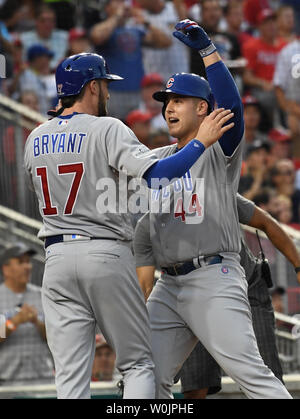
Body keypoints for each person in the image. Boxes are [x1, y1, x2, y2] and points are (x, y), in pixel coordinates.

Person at [23, 52, 233, 399]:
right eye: (104, 85)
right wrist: (201, 142)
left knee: (71, 379)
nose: (106, 93)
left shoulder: (34, 137)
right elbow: (158, 176)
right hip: (104, 250)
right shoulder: (106, 127)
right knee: (137, 364)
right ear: (92, 86)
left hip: (56, 258)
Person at [136, 18, 292, 398]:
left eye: (178, 101)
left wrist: (207, 51)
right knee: (143, 376)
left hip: (214, 277)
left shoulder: (219, 150)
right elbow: (151, 180)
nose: (169, 108)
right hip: (169, 286)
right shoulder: (160, 157)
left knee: (250, 374)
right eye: (166, 102)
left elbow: (233, 108)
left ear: (204, 109)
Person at [134, 195, 300, 398]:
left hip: (241, 284)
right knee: (179, 381)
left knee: (255, 370)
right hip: (177, 288)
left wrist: (298, 265)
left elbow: (265, 221)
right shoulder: (147, 224)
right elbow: (145, 287)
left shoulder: (212, 193)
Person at [90, 0, 171, 120]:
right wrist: (117, 15)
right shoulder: (104, 27)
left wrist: (145, 22)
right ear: (107, 8)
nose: (123, 5)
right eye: (117, 2)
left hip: (137, 92)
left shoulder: (135, 30)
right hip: (112, 94)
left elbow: (165, 42)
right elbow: (96, 36)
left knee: (137, 132)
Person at [0, 242, 54, 386]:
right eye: (20, 262)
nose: (27, 267)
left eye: (28, 262)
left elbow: (54, 337)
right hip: (7, 381)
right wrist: (15, 321)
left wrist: (36, 321)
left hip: (42, 378)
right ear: (6, 269)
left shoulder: (42, 295)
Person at [242, 8, 286, 126]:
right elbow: (247, 76)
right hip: (263, 89)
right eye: (266, 23)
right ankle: (277, 128)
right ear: (259, 27)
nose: (271, 26)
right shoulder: (251, 46)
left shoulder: (285, 45)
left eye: (273, 22)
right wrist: (263, 83)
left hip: (283, 88)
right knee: (271, 97)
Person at [20, 4, 68, 71]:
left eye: (51, 20)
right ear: (36, 21)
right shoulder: (24, 39)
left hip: (60, 74)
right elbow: (23, 63)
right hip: (34, 75)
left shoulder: (65, 37)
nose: (47, 24)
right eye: (43, 20)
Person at [273, 39, 300, 157]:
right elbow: (279, 88)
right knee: (294, 125)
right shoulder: (291, 52)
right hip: (294, 109)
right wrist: (291, 112)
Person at [19, 44, 56, 116]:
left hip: (47, 118)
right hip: (34, 119)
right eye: (45, 58)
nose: (48, 62)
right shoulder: (27, 76)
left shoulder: (47, 77)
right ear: (36, 59)